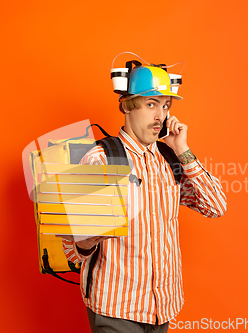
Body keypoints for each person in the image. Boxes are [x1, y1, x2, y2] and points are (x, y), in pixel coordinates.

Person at [61, 64, 227, 333]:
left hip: (163, 306)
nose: (160, 115)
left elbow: (216, 206)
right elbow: (72, 248)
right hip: (117, 309)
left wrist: (182, 149)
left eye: (165, 106)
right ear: (127, 105)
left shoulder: (169, 160)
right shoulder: (100, 160)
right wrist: (89, 237)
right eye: (151, 104)